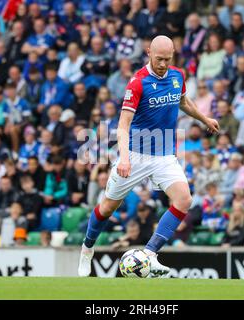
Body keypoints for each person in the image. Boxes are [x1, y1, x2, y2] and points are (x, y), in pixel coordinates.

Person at [78, 35, 220, 277]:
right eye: (158, 59)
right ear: (148, 53)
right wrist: (123, 158)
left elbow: (183, 101)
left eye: (167, 58)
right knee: (108, 207)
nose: (163, 64)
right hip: (135, 155)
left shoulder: (177, 75)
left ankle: (149, 254)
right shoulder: (137, 83)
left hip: (164, 155)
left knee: (184, 200)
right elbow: (122, 125)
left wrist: (204, 119)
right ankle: (87, 248)